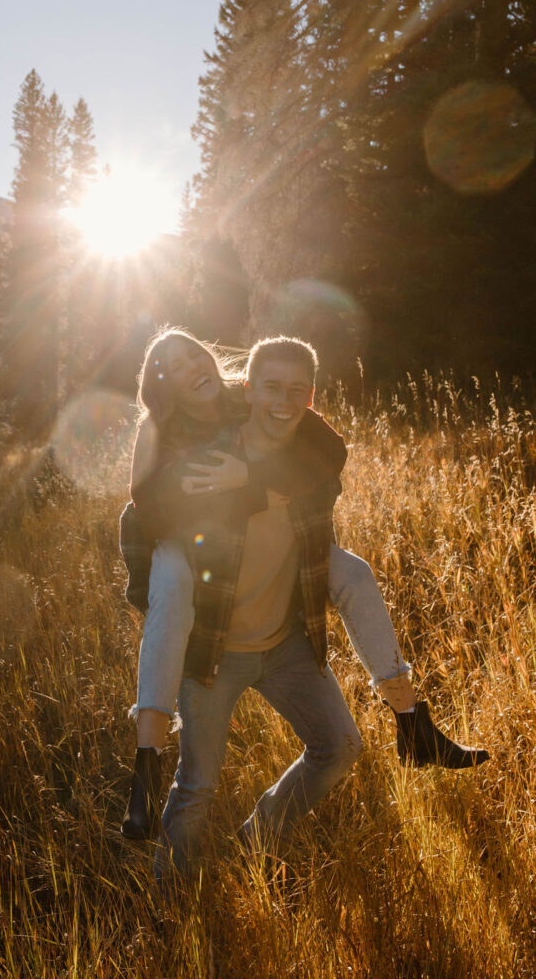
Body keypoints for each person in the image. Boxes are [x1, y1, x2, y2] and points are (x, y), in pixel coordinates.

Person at [119, 329, 488, 842]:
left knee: (352, 576)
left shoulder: (259, 404)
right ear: (162, 387)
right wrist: (229, 493)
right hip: (213, 645)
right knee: (175, 592)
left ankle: (409, 723)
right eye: (173, 367)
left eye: (194, 356)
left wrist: (251, 482)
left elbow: (329, 458)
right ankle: (148, 765)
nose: (190, 368)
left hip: (284, 635)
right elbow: (144, 512)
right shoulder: (174, 438)